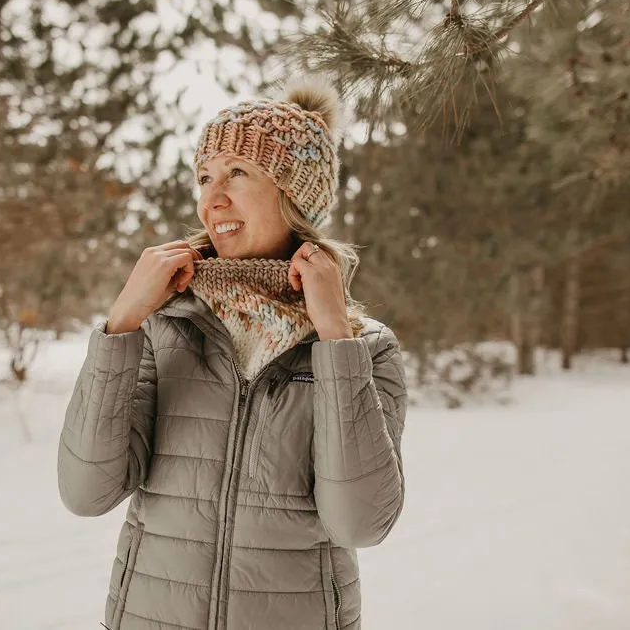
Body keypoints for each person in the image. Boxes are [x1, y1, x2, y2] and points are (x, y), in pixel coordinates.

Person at [57, 77, 408, 630]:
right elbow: (86, 493)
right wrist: (122, 323)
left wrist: (335, 338)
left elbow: (360, 524)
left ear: (293, 193)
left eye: (237, 173)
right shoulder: (161, 327)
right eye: (204, 177)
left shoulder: (365, 349)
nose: (210, 199)